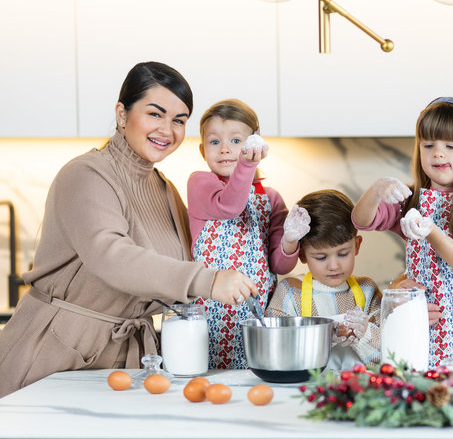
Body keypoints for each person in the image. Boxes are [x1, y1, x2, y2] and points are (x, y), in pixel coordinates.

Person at [0, 62, 257, 398]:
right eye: (155, 113)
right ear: (122, 114)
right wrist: (206, 280)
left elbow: (185, 260)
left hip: (131, 361)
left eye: (179, 120)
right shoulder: (86, 175)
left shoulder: (164, 188)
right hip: (58, 352)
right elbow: (112, 256)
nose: (168, 129)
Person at [352, 97, 453, 369]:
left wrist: (430, 230)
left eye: (450, 146)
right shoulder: (411, 200)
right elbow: (362, 221)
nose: (437, 154)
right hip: (417, 329)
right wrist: (376, 191)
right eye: (428, 145)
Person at [187, 99, 302, 369]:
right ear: (203, 149)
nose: (225, 149)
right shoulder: (201, 184)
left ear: (255, 141)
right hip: (210, 317)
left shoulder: (271, 198)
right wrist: (248, 165)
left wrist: (290, 239)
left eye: (236, 141)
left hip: (256, 317)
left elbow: (279, 264)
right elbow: (229, 205)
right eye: (215, 142)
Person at [266, 189, 382, 369]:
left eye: (343, 254)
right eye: (321, 258)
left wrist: (364, 332)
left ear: (357, 246)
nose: (334, 265)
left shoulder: (368, 290)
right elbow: (276, 348)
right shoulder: (290, 292)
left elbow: (389, 353)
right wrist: (324, 337)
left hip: (360, 390)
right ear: (302, 255)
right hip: (307, 390)